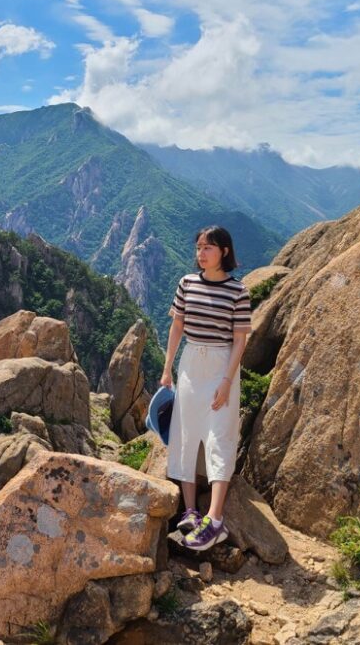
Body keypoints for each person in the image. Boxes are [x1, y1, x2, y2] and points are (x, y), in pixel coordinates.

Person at [159, 226, 251, 551]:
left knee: (219, 436)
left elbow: (240, 340)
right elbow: (177, 326)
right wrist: (167, 367)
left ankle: (215, 519)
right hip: (190, 363)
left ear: (224, 251)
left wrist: (227, 381)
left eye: (208, 247)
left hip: (220, 365)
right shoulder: (187, 283)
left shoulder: (238, 291)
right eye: (198, 247)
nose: (201, 253)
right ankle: (189, 512)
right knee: (185, 433)